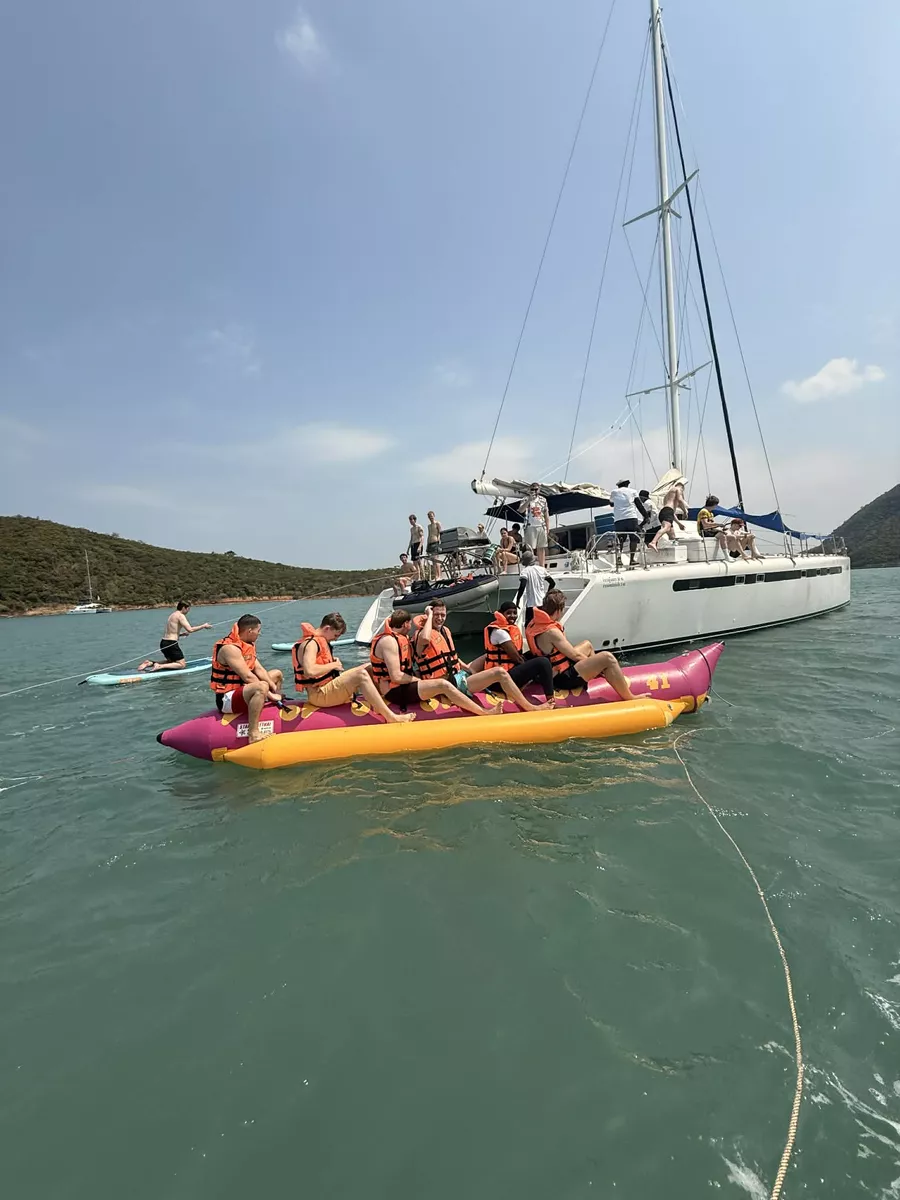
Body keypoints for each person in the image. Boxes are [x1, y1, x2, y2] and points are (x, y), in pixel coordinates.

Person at [415, 601, 551, 712]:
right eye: (436, 614)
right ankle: (529, 707)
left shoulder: (445, 631)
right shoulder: (422, 636)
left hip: (458, 676)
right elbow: (426, 638)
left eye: (443, 615)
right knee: (499, 672)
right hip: (447, 684)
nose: (440, 618)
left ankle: (499, 682)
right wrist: (429, 615)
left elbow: (452, 657)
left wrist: (469, 670)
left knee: (487, 656)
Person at [293, 612, 414, 724]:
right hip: (320, 696)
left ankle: (385, 700)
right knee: (360, 675)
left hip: (326, 689)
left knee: (368, 668)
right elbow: (310, 671)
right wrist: (333, 665)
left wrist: (331, 664)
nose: (336, 639)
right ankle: (390, 717)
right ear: (327, 628)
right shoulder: (311, 644)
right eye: (336, 635)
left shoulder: (318, 642)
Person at [369, 609, 490, 716]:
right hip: (394, 692)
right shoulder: (389, 642)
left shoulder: (400, 638)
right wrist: (421, 681)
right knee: (442, 684)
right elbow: (396, 677)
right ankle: (482, 712)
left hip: (401, 686)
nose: (411, 627)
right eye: (410, 624)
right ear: (406, 624)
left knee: (429, 676)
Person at [525, 590, 637, 700]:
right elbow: (575, 656)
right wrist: (598, 667)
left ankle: (597, 674)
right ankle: (629, 697)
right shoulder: (551, 632)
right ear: (559, 610)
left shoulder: (533, 623)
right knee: (607, 658)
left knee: (587, 645)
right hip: (561, 678)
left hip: (553, 669)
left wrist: (593, 665)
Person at [209, 615, 283, 743]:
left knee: (277, 674)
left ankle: (274, 706)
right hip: (227, 698)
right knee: (261, 686)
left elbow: (259, 670)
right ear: (250, 631)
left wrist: (275, 689)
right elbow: (248, 676)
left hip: (243, 690)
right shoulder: (230, 648)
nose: (259, 634)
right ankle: (253, 734)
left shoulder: (246, 645)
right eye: (258, 631)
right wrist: (270, 694)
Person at [482, 602, 555, 702]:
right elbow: (517, 658)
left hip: (507, 672)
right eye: (508, 613)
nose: (512, 616)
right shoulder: (500, 632)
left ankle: (545, 680)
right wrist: (532, 672)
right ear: (501, 614)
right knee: (543, 662)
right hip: (500, 681)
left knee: (537, 655)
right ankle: (551, 701)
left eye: (514, 613)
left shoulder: (506, 628)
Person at [138, 601, 212, 671]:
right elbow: (190, 629)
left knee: (171, 662)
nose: (188, 611)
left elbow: (171, 631)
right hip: (171, 643)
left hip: (164, 642)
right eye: (188, 609)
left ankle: (150, 663)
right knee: (182, 665)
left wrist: (181, 634)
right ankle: (159, 666)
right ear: (184, 608)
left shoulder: (172, 615)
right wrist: (203, 626)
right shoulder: (180, 616)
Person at [609, 479, 649, 567]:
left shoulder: (614, 492)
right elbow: (639, 505)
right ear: (627, 484)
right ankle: (632, 560)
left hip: (619, 519)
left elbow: (611, 504)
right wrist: (646, 516)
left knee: (620, 539)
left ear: (618, 486)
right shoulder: (633, 492)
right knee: (633, 538)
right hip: (631, 517)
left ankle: (619, 559)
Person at [515, 549, 553, 625]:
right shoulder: (541, 569)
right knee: (542, 625)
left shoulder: (525, 571)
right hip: (542, 604)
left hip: (531, 605)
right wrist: (547, 595)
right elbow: (552, 583)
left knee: (529, 626)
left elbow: (522, 586)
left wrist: (518, 599)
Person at [521, 484, 550, 566]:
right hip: (530, 526)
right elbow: (521, 510)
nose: (534, 491)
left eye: (536, 489)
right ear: (529, 490)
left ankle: (542, 566)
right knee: (530, 548)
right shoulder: (525, 499)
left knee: (541, 547)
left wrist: (548, 528)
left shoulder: (543, 500)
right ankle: (531, 566)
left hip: (541, 526)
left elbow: (546, 514)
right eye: (532, 489)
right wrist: (529, 500)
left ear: (539, 490)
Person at [426, 510, 443, 581]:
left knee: (436, 559)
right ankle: (436, 575)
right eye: (429, 517)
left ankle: (439, 576)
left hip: (436, 542)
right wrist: (427, 545)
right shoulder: (429, 526)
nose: (431, 517)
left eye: (431, 516)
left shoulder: (437, 523)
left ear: (434, 516)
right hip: (430, 543)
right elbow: (429, 534)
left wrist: (438, 541)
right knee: (433, 561)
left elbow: (440, 532)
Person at [407, 514, 425, 580]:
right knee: (414, 562)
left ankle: (423, 576)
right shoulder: (411, 529)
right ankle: (418, 577)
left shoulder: (419, 527)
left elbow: (422, 537)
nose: (411, 521)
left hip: (418, 543)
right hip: (413, 545)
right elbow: (411, 538)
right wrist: (408, 548)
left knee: (419, 561)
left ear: (414, 520)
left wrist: (419, 547)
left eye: (411, 520)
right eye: (410, 520)